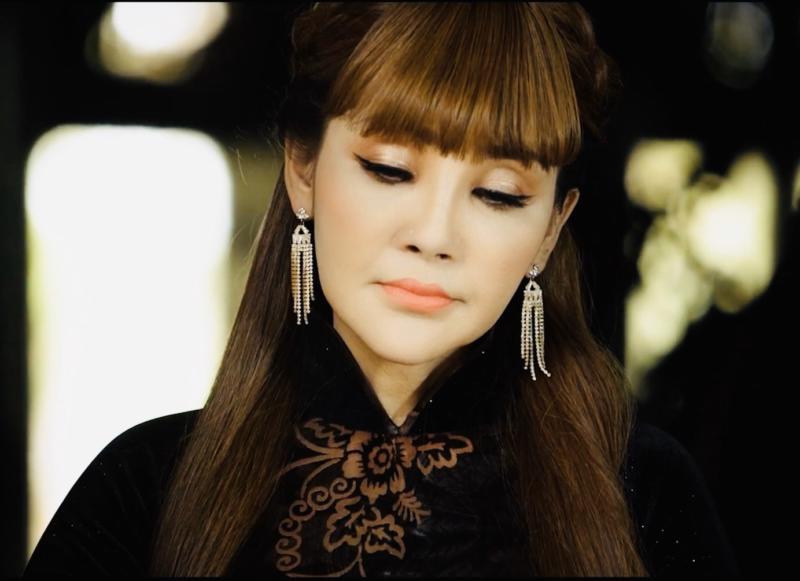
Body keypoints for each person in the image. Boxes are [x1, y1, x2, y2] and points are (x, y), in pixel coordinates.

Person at [24, 3, 740, 577]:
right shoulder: (145, 489)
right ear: (303, 168)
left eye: (497, 193)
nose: (433, 235)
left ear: (552, 228)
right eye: (391, 170)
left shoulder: (643, 494)